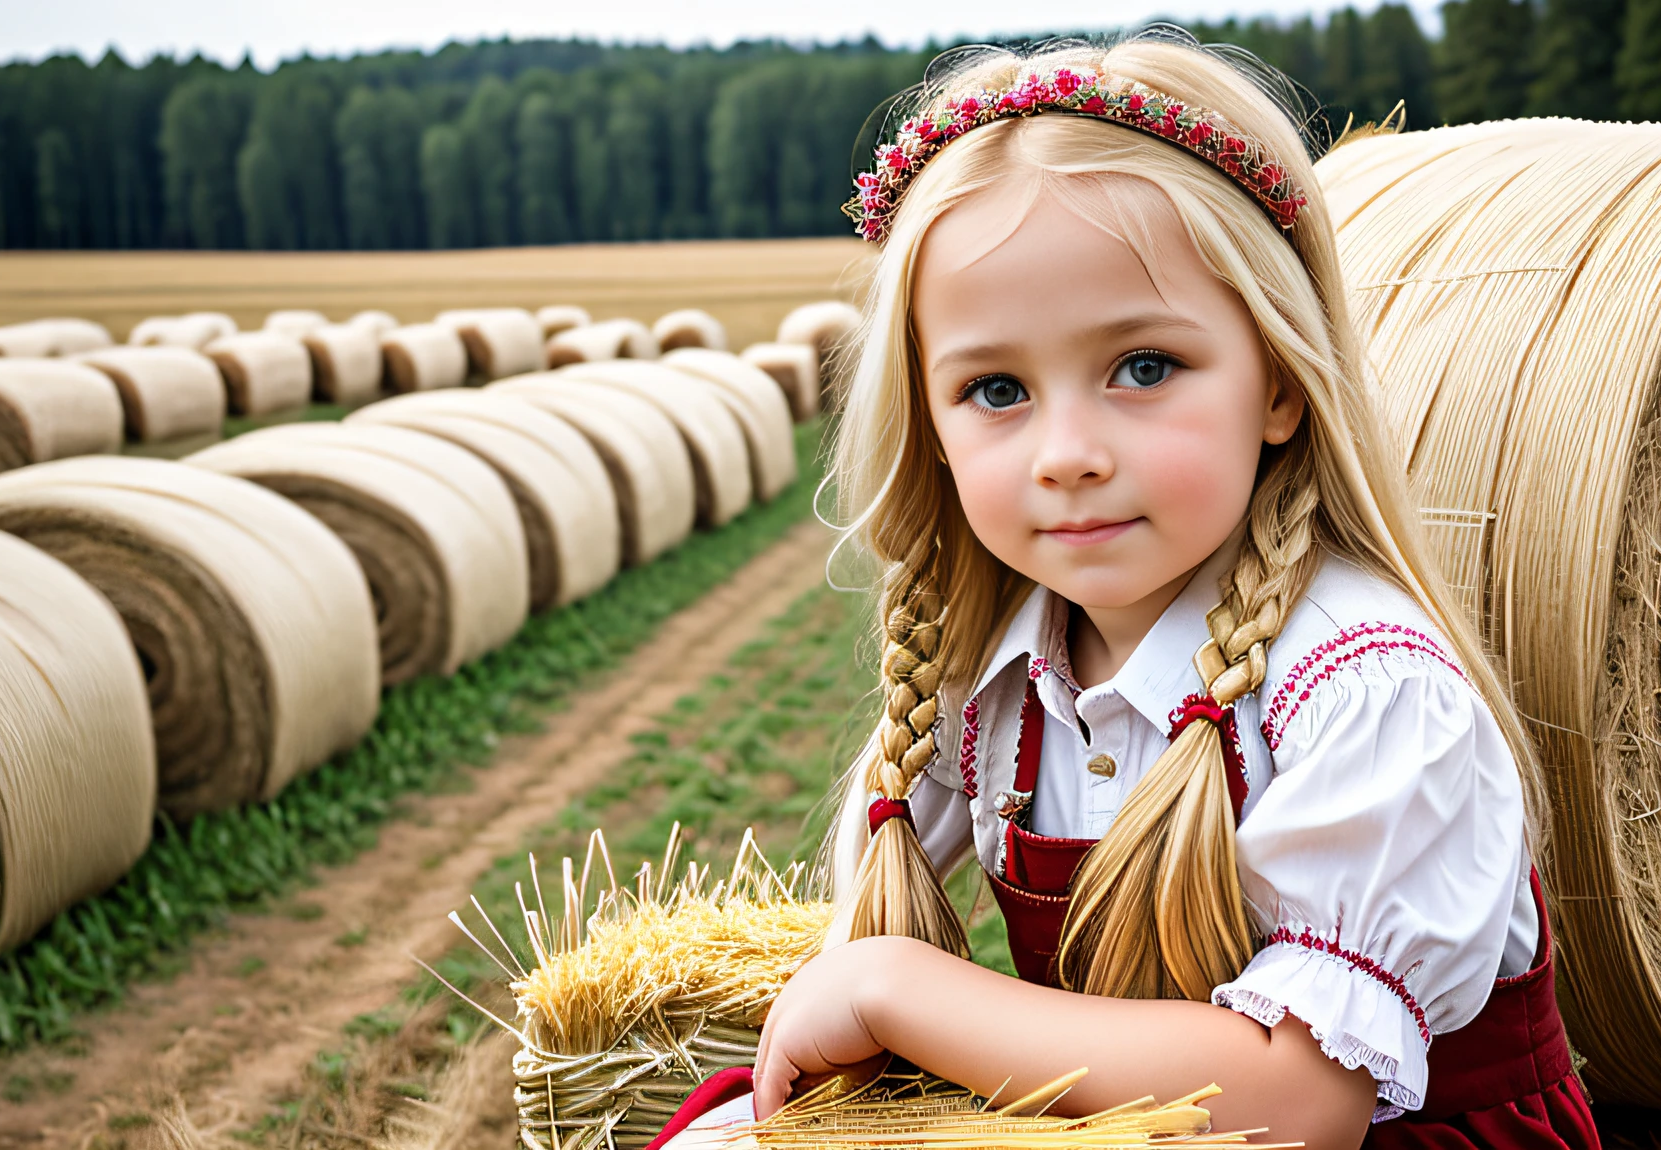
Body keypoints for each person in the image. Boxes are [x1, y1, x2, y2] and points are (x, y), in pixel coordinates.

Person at [657, 27, 1598, 1150]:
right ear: (931, 429)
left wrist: (896, 991)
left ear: (1280, 384)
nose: (1066, 451)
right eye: (995, 388)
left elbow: (1300, 1105)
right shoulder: (991, 689)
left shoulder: (1364, 689)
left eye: (1142, 368)